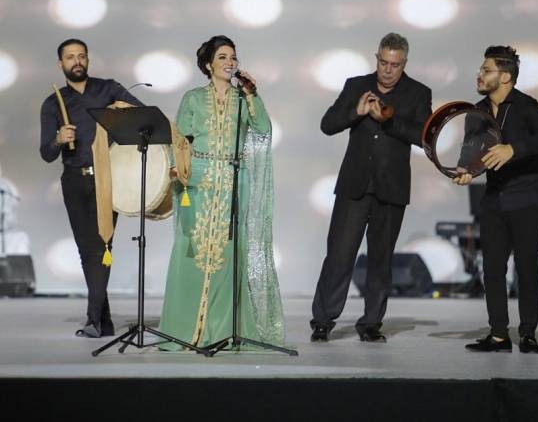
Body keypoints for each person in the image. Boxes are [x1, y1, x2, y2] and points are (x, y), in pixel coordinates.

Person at [159, 35, 284, 350]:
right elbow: (180, 140)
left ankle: (220, 332)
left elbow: (264, 129)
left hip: (232, 181)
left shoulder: (243, 99)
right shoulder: (192, 98)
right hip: (198, 181)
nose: (230, 63)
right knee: (191, 251)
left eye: (233, 57)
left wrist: (252, 94)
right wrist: (178, 170)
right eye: (222, 57)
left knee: (227, 256)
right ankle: (185, 330)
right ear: (208, 65)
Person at [310, 33, 432, 342]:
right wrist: (357, 112)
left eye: (395, 65)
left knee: (381, 259)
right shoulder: (356, 85)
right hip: (354, 185)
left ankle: (371, 324)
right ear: (376, 58)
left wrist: (388, 121)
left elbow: (424, 137)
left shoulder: (418, 93)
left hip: (391, 188)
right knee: (339, 256)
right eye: (383, 62)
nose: (388, 70)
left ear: (404, 63)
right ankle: (323, 320)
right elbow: (327, 124)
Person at [455, 45, 538, 354]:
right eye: (481, 69)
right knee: (492, 269)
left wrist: (513, 149)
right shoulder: (477, 111)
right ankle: (499, 334)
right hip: (494, 198)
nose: (479, 74)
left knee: (526, 267)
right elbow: (470, 152)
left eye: (486, 70)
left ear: (505, 76)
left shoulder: (526, 106)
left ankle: (528, 334)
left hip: (528, 197)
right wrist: (465, 171)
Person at [40, 38, 143, 338]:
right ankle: (103, 320)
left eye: (81, 56)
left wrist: (118, 116)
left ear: (88, 60)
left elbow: (142, 116)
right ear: (60, 64)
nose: (77, 61)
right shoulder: (53, 103)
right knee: (88, 251)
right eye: (70, 57)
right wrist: (58, 139)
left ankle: (93, 318)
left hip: (107, 178)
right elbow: (46, 153)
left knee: (101, 246)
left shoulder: (108, 89)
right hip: (73, 180)